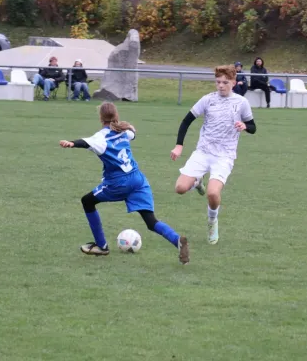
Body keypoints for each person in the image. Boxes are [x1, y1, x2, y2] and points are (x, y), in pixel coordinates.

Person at [59, 102, 190, 265]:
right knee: (151, 221)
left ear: (101, 117)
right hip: (138, 180)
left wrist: (71, 143)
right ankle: (177, 240)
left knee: (87, 201)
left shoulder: (101, 137)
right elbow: (132, 132)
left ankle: (102, 246)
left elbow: (86, 142)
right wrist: (129, 127)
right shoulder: (123, 131)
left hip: (119, 183)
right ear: (116, 116)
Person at [170, 65, 256, 245]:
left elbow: (253, 127)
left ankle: (212, 221)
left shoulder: (241, 103)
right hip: (202, 152)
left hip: (224, 157)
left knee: (212, 193)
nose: (221, 86)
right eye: (218, 82)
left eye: (225, 82)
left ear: (233, 82)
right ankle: (197, 181)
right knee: (179, 188)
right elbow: (186, 121)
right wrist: (179, 146)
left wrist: (245, 126)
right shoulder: (207, 100)